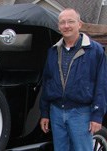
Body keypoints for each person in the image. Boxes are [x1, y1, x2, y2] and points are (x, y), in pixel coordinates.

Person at [39, 8, 107, 151]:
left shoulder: (95, 50)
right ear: (58, 26)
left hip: (81, 113)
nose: (66, 26)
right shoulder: (53, 51)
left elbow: (102, 84)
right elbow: (47, 82)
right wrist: (45, 113)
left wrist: (97, 116)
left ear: (79, 24)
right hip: (56, 111)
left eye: (70, 21)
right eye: (62, 22)